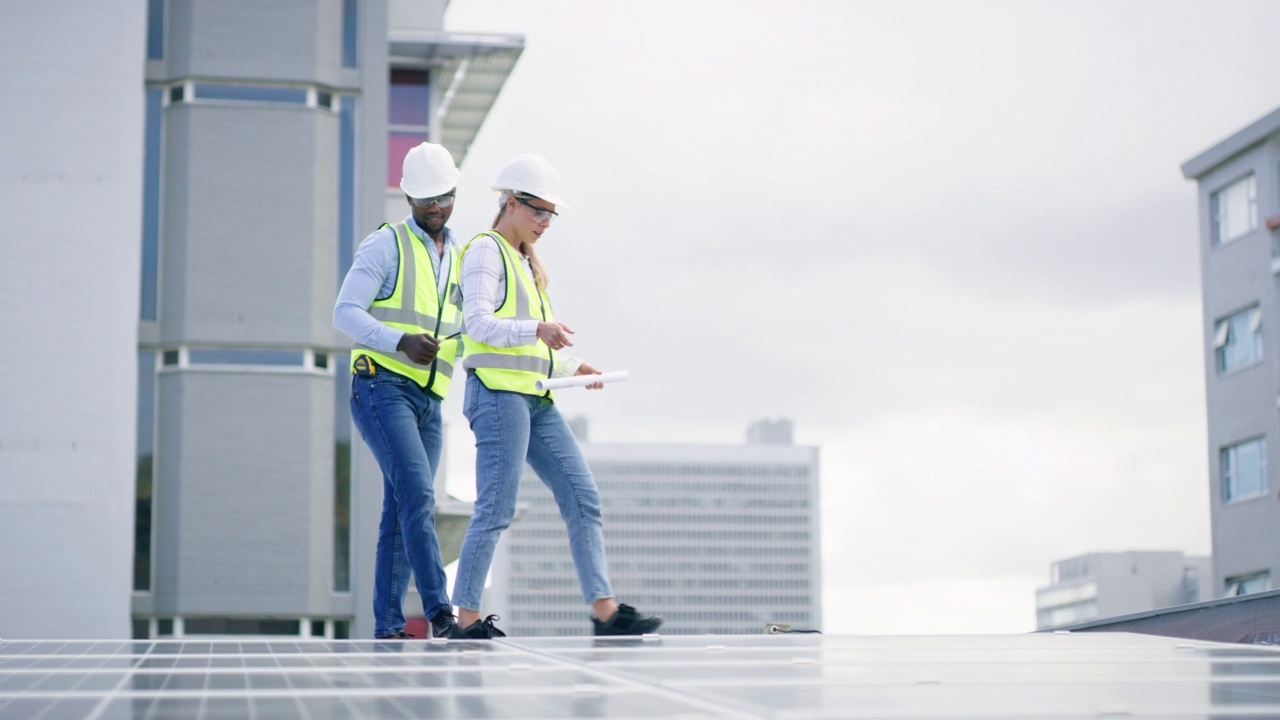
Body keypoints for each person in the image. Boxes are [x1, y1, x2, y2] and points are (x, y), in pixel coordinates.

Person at [450, 154, 663, 638]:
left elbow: (529, 341)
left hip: (536, 397)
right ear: (509, 202)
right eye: (537, 210)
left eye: (551, 213)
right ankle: (465, 620)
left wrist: (570, 366)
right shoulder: (486, 251)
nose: (545, 222)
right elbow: (479, 324)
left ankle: (605, 613)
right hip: (499, 396)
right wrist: (539, 328)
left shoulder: (527, 261)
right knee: (496, 508)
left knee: (582, 496)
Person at [333, 142, 464, 639]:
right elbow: (343, 312)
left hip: (429, 403)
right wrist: (399, 341)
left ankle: (387, 627)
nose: (436, 207)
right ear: (408, 197)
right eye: (426, 198)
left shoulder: (457, 255)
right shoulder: (384, 245)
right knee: (419, 496)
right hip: (380, 388)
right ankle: (442, 615)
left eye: (444, 196)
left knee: (400, 510)